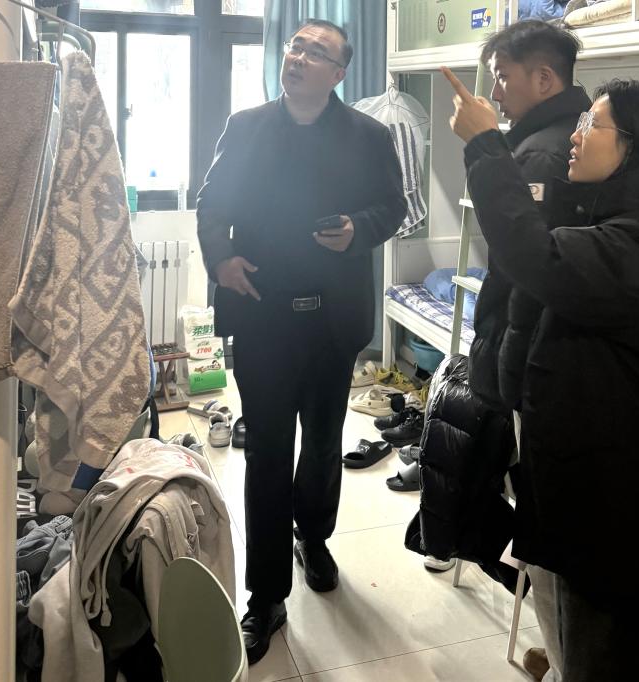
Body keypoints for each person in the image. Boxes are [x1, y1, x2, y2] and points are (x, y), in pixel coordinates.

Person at [442, 68, 639, 681]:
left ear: (634, 147)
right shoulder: (624, 217)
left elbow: (538, 258)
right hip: (583, 481)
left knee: (604, 661)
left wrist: (487, 147)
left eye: (592, 124)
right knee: (579, 644)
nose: (576, 136)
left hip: (616, 503)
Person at [197, 19, 406, 665]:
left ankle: (313, 537)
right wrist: (221, 260)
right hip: (263, 315)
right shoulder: (247, 126)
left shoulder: (369, 136)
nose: (299, 57)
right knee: (266, 450)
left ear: (338, 73)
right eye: (296, 46)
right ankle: (266, 595)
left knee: (321, 440)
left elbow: (393, 207)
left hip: (331, 321)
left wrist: (359, 229)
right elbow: (211, 204)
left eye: (317, 52)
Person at [467, 20, 589, 682]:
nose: (496, 92)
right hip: (548, 352)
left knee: (543, 525)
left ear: (544, 79)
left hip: (535, 356)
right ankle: (562, 649)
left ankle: (565, 657)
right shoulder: (565, 139)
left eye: (504, 78)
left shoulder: (542, 155)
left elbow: (524, 266)